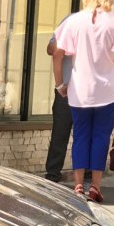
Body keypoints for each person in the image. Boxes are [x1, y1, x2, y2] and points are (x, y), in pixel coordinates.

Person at [52, 0, 114, 203]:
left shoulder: (74, 21)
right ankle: (95, 186)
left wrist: (60, 85)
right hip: (108, 90)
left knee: (80, 136)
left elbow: (57, 54)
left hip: (80, 89)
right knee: (100, 137)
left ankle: (78, 185)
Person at [43, 23, 73, 183]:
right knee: (60, 132)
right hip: (65, 89)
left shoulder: (108, 24)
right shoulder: (71, 22)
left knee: (85, 137)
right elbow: (51, 49)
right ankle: (52, 175)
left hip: (91, 91)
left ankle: (86, 179)